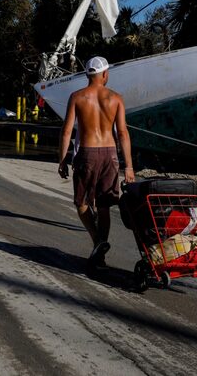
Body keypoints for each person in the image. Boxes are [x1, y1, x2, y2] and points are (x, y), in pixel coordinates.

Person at [58, 56, 135, 270]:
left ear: (87, 74)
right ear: (105, 74)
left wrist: (62, 160)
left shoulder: (77, 97)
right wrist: (129, 166)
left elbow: (66, 131)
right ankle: (100, 253)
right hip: (110, 154)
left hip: (87, 153)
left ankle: (98, 241)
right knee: (103, 205)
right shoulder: (116, 98)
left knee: (82, 202)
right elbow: (123, 133)